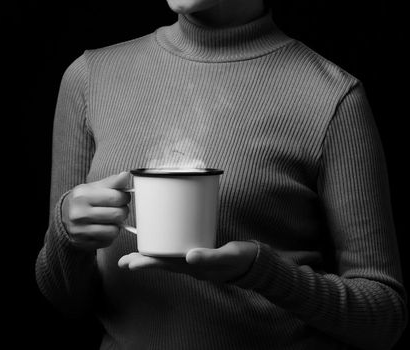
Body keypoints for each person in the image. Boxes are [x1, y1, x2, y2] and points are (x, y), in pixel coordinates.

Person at [34, 0, 407, 349]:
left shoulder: (332, 96)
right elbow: (67, 303)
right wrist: (67, 234)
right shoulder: (89, 78)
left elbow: (384, 318)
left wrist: (261, 271)